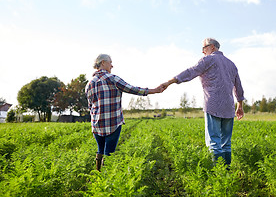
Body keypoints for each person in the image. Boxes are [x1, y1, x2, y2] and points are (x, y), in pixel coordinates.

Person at [161, 38, 245, 167]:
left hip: (213, 105)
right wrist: (240, 105)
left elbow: (191, 71)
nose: (202, 51)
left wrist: (170, 81)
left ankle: (218, 174)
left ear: (211, 47)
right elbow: (238, 86)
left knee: (214, 143)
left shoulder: (208, 59)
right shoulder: (231, 64)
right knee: (226, 143)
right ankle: (226, 172)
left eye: (204, 48)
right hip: (229, 107)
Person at [85, 54, 164, 171]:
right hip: (113, 122)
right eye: (110, 62)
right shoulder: (112, 78)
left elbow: (90, 106)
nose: (112, 65)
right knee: (109, 154)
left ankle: (98, 178)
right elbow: (133, 89)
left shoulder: (89, 84)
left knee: (100, 150)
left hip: (96, 124)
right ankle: (106, 178)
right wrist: (154, 91)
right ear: (103, 63)